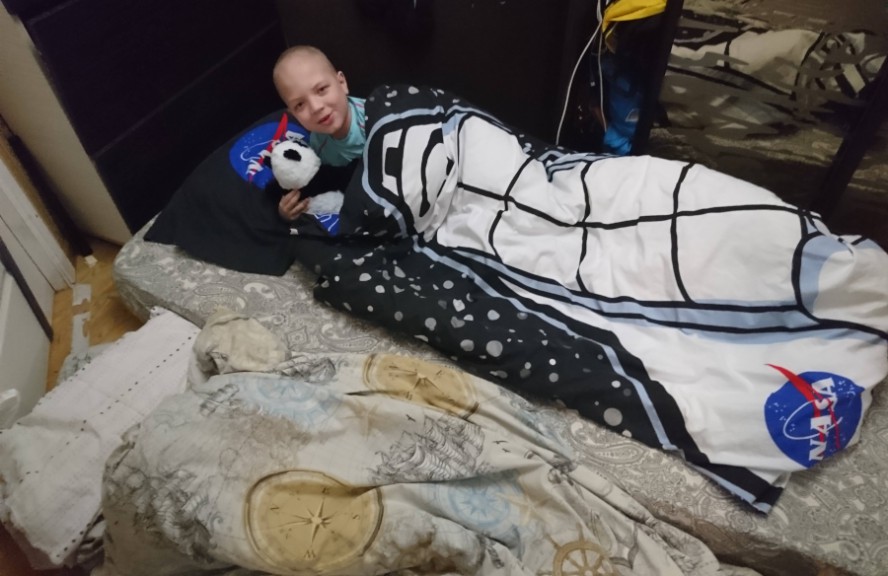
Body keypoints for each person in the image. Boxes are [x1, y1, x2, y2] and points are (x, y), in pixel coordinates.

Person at [272, 45, 366, 222]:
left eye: (321, 89)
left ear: (342, 83)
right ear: (293, 115)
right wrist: (286, 211)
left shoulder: (374, 117)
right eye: (300, 105)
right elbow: (320, 185)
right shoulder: (317, 146)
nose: (316, 108)